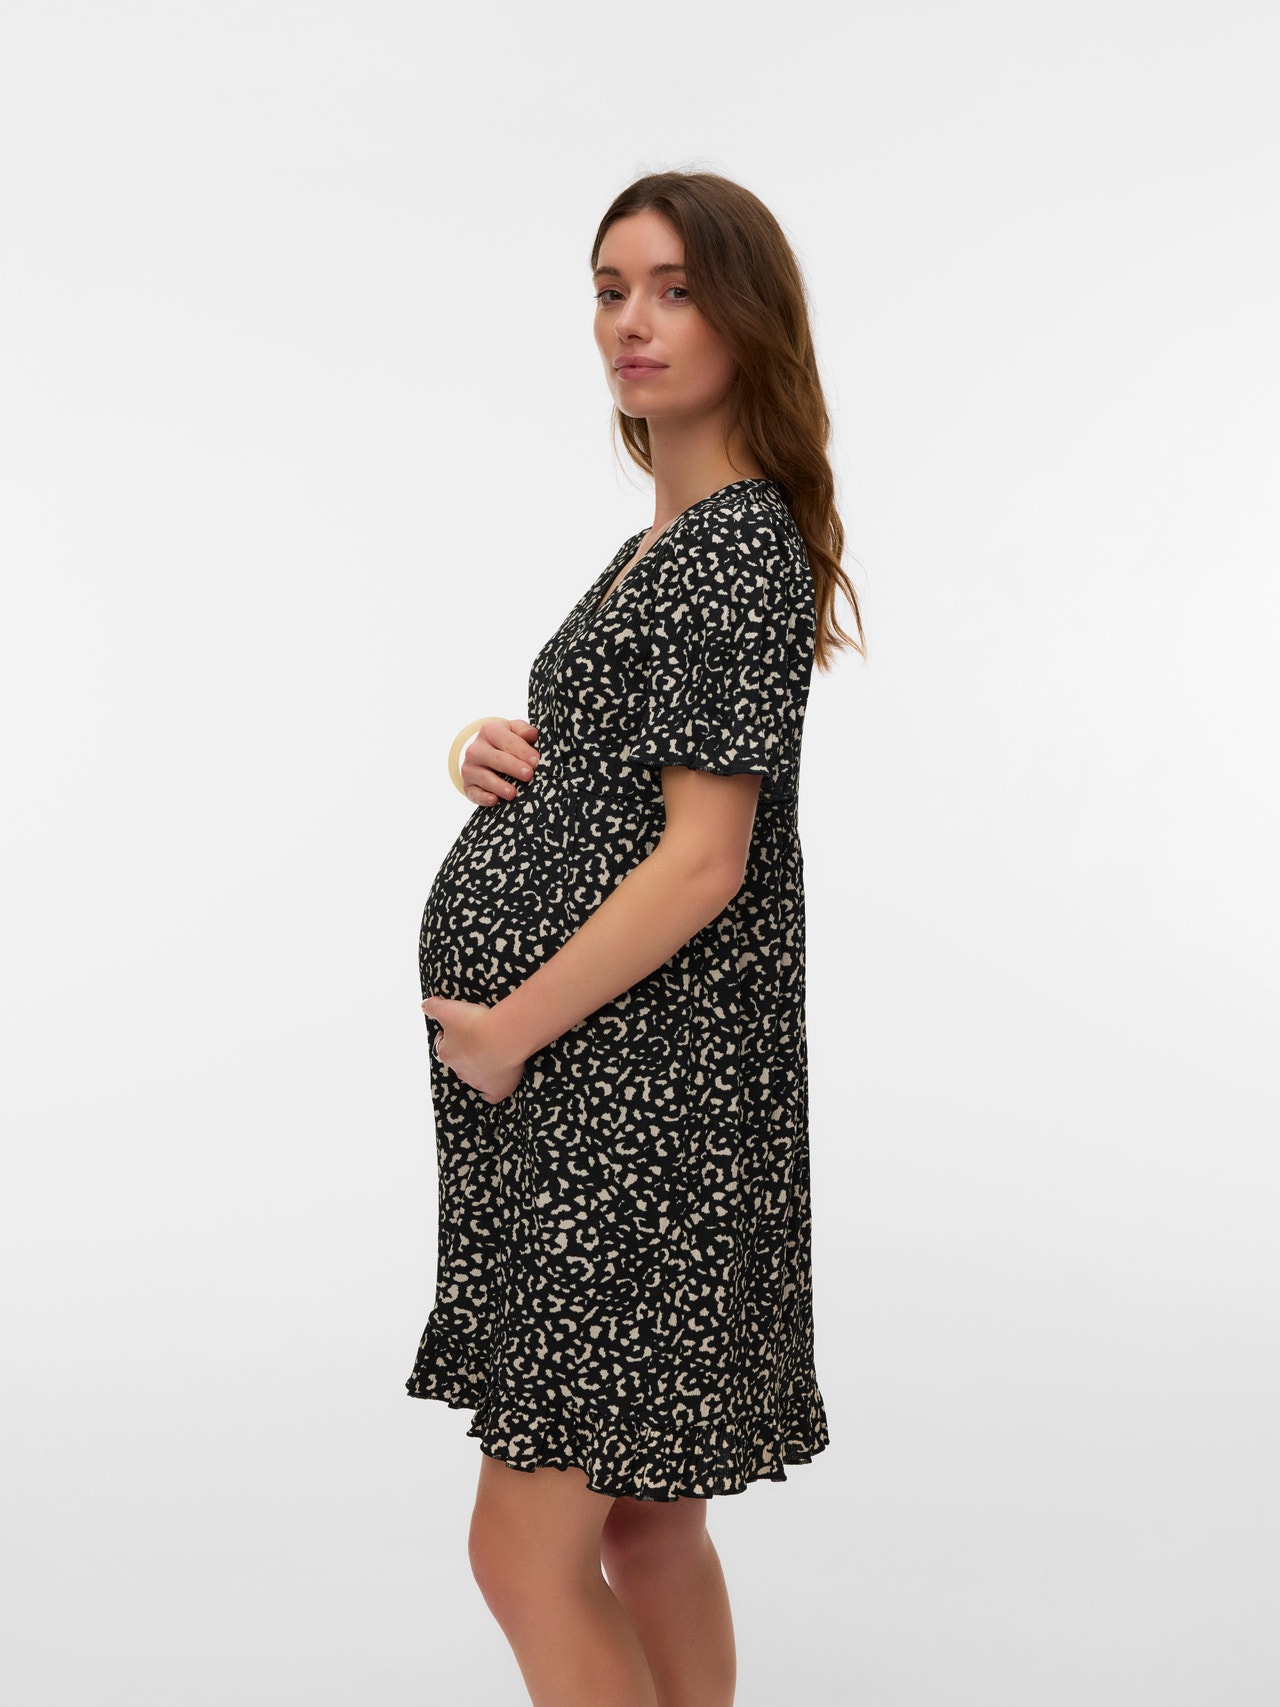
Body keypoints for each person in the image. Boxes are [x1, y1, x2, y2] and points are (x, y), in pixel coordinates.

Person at [407, 169, 863, 1707]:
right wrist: (488, 751)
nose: (632, 322)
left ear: (748, 318)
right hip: (620, 1095)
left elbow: (703, 863)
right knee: (649, 1524)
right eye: (611, 290)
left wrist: (509, 1029)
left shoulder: (731, 545)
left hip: (633, 1104)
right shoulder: (662, 546)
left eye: (673, 289)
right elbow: (624, 779)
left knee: (523, 1551)